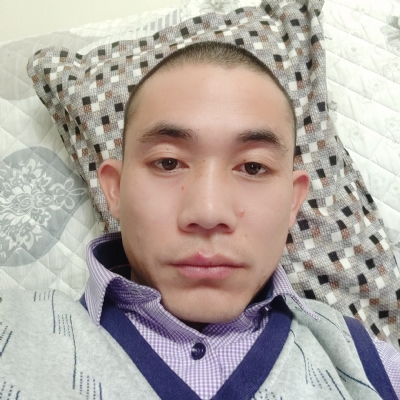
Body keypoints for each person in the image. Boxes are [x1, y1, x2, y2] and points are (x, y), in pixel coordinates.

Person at [1, 41, 399, 400]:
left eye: (253, 167)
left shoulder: (369, 363)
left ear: (294, 201)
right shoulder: (12, 333)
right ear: (115, 190)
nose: (208, 213)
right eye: (168, 162)